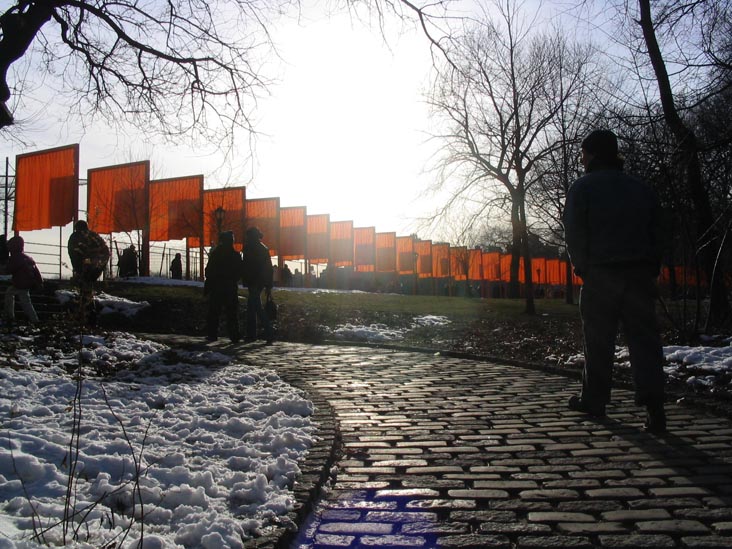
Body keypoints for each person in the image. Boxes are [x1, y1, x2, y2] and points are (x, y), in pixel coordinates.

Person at [563, 129, 666, 433]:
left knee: (598, 342)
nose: (581, 158)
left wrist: (581, 266)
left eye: (583, 153)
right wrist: (651, 266)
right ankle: (655, 408)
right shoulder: (641, 189)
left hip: (600, 274)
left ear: (592, 154)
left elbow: (575, 232)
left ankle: (594, 399)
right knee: (645, 343)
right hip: (638, 273)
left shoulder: (582, 188)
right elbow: (657, 232)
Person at [67, 220, 110, 324]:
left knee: (85, 290)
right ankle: (89, 314)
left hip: (85, 268)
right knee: (88, 289)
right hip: (95, 267)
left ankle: (87, 315)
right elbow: (105, 251)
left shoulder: (75, 237)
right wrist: (99, 267)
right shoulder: (94, 236)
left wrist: (79, 268)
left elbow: (74, 253)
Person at [204, 231, 242, 342]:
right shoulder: (236, 255)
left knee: (214, 312)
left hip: (217, 287)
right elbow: (239, 272)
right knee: (232, 313)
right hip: (230, 287)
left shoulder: (216, 254)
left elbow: (209, 271)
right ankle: (234, 335)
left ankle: (212, 334)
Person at [242, 226, 274, 344]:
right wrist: (269, 285)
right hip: (260, 282)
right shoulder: (263, 248)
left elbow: (245, 266)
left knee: (256, 307)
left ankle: (268, 333)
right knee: (252, 307)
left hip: (252, 281)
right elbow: (269, 268)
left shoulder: (248, 248)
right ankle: (252, 334)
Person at [4, 235, 41, 325]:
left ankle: (10, 316)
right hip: (28, 283)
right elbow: (36, 271)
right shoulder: (28, 258)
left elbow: (9, 270)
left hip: (20, 283)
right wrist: (39, 282)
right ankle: (34, 319)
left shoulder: (16, 257)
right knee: (19, 298)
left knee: (22, 301)